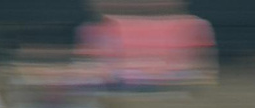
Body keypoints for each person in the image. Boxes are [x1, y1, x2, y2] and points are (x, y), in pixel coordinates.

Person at [77, 0, 216, 91]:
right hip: (121, 81)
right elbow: (93, 68)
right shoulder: (95, 28)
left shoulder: (191, 25)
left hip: (169, 82)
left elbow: (201, 73)